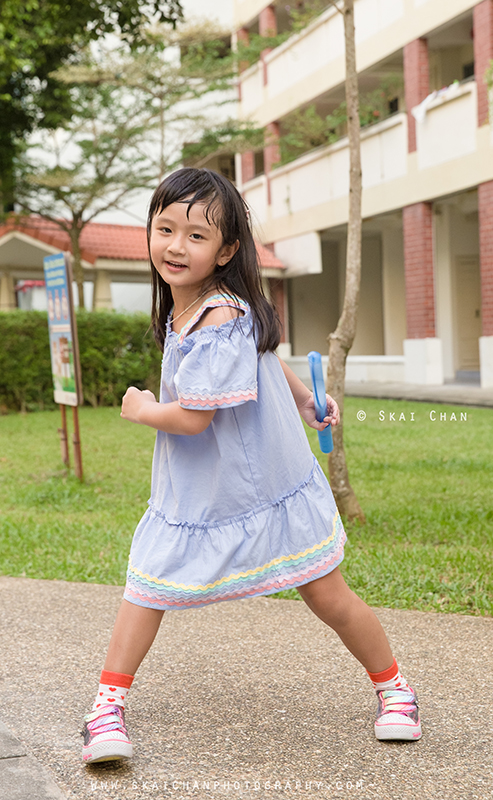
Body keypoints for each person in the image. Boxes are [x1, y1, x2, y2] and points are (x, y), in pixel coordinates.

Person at [81, 168, 421, 764]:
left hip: (262, 486)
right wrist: (304, 398)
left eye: (195, 235)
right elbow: (267, 355)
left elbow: (192, 419)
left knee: (326, 594)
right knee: (148, 586)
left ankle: (395, 690)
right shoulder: (195, 310)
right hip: (205, 492)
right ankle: (107, 706)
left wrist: (141, 409)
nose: (175, 246)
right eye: (164, 229)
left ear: (226, 250)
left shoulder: (220, 315)